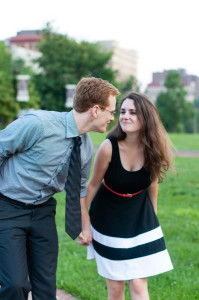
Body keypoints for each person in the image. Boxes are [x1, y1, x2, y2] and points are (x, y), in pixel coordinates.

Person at [0, 77, 120, 300]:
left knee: (46, 287)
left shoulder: (84, 146)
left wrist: (85, 227)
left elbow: (79, 189)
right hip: (8, 209)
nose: (113, 118)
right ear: (96, 110)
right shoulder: (37, 124)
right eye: (111, 112)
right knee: (15, 285)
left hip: (43, 212)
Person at [86, 92, 174, 300]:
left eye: (133, 112)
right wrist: (81, 222)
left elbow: (152, 184)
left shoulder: (154, 149)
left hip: (140, 217)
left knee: (138, 284)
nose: (125, 116)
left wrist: (152, 217)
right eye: (123, 111)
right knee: (116, 288)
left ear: (146, 118)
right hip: (108, 219)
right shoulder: (109, 147)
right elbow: (91, 186)